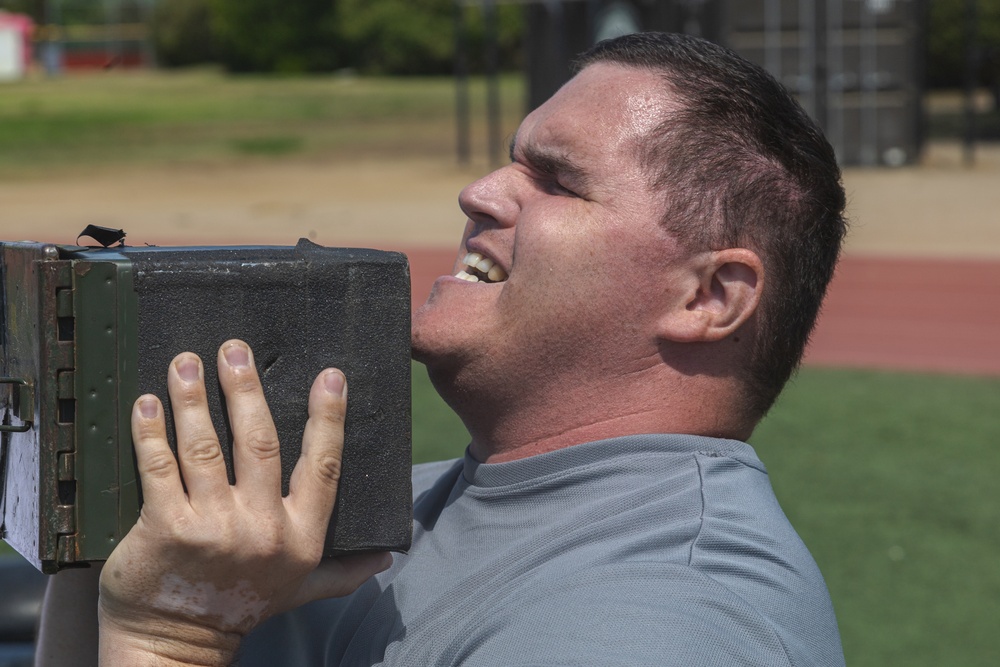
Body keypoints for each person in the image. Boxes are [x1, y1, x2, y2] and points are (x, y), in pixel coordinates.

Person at [36, 32, 847, 666]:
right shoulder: (376, 512)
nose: (482, 190)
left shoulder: (665, 617)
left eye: (556, 180)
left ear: (709, 297)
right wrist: (97, 540)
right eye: (510, 161)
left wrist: (174, 635)